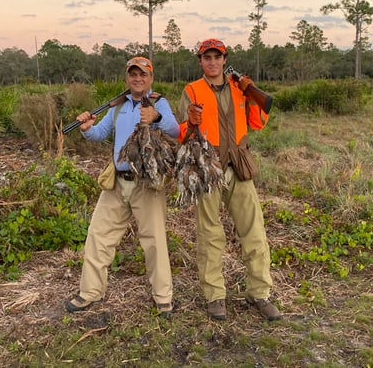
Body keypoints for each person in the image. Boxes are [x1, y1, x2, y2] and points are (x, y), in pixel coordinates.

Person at [65, 56, 179, 318]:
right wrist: (85, 128)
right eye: (133, 74)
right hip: (117, 183)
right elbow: (100, 134)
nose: (138, 79)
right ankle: (90, 292)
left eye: (143, 74)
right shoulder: (118, 107)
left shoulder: (159, 102)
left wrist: (157, 116)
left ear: (151, 78)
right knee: (98, 236)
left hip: (147, 183)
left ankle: (163, 298)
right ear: (127, 78)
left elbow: (174, 130)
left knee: (155, 241)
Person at [178, 38, 281, 321]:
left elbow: (258, 123)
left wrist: (249, 92)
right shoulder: (191, 90)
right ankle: (215, 297)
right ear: (200, 62)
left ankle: (259, 294)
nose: (212, 61)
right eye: (206, 57)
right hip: (207, 166)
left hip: (239, 166)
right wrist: (190, 122)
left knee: (254, 232)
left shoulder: (239, 87)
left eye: (217, 57)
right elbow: (181, 134)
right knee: (210, 233)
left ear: (225, 60)